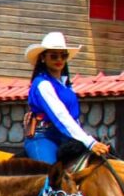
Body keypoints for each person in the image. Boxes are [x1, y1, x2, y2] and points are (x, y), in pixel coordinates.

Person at [23, 32, 110, 162]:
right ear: (43, 58)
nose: (59, 60)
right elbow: (61, 116)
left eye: (63, 55)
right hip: (44, 137)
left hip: (67, 137)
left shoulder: (67, 86)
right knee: (53, 177)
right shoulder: (42, 84)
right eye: (53, 56)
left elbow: (74, 119)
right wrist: (90, 142)